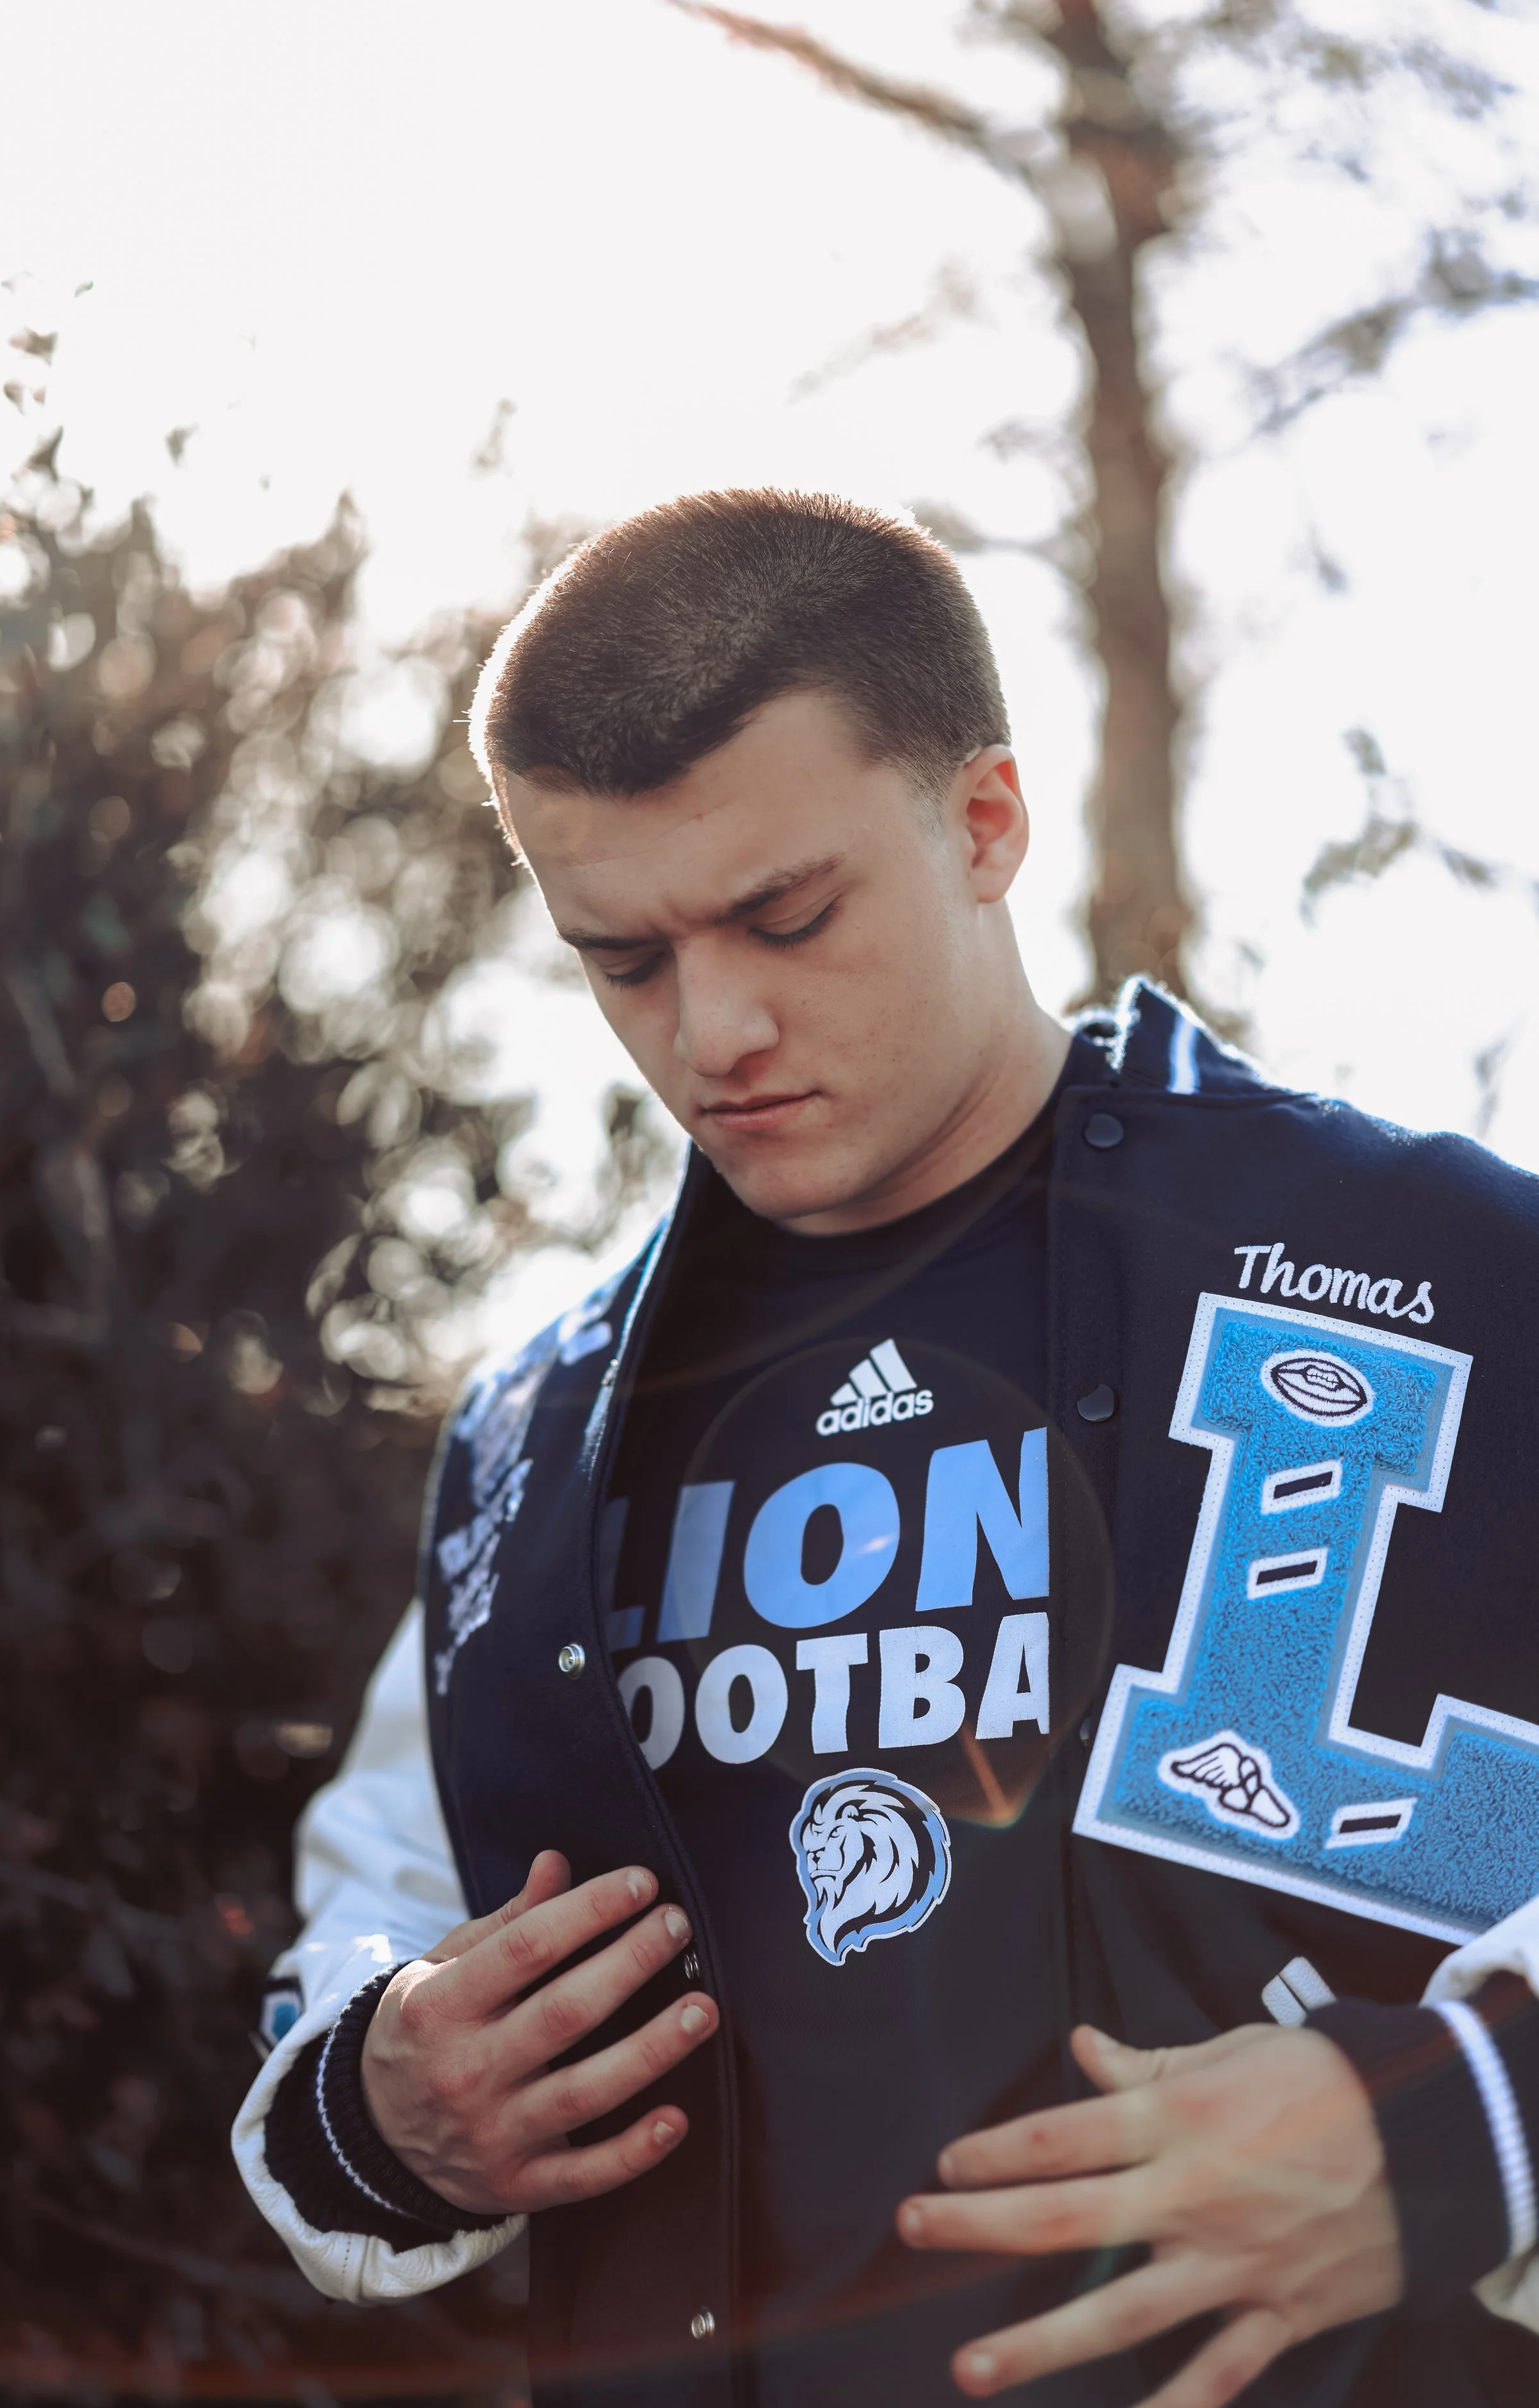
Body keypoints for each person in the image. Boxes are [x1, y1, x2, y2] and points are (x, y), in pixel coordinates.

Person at [233, 490, 1539, 2408]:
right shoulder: (539, 1432)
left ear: (984, 822)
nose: (715, 1033)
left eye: (786, 914)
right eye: (624, 959)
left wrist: (1476, 2124)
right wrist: (384, 2097)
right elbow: (378, 1917)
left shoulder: (1454, 1273)